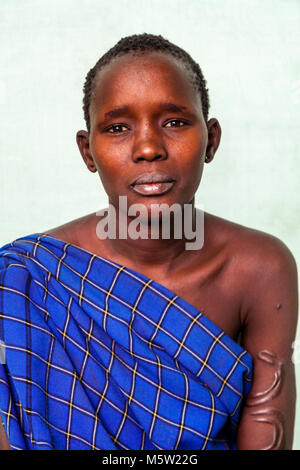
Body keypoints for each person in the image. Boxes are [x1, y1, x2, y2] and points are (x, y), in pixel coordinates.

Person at [0, 33, 298, 450]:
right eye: (118, 127)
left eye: (174, 122)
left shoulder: (259, 268)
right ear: (88, 152)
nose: (147, 147)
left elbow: (266, 429)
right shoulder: (27, 277)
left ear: (211, 140)